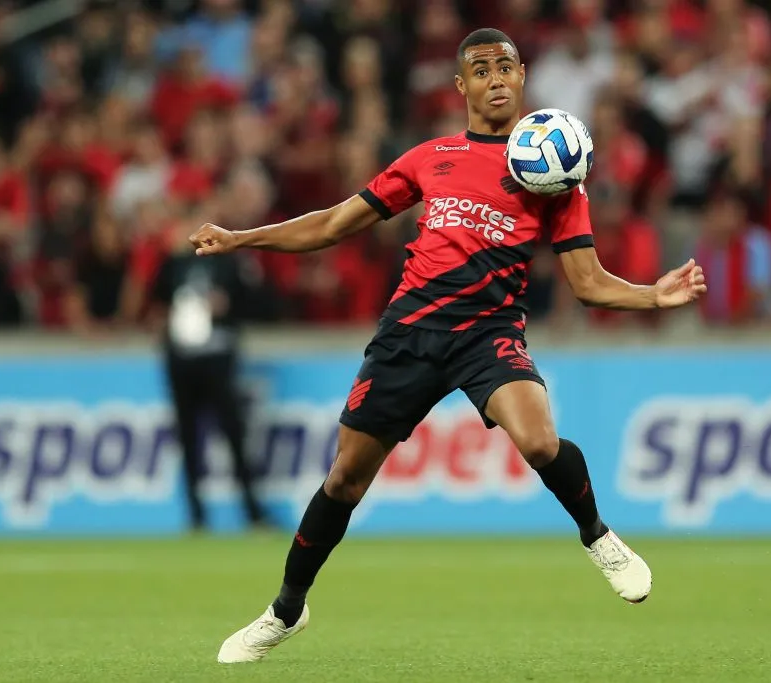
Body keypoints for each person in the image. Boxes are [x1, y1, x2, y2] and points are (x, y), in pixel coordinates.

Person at [189, 28, 707, 663]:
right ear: (462, 86)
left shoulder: (556, 177)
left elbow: (588, 284)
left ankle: (598, 536)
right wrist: (241, 238)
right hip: (409, 333)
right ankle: (285, 610)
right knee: (346, 479)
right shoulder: (428, 157)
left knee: (539, 439)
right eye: (481, 70)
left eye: (507, 67)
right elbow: (331, 225)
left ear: (522, 78)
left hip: (488, 333)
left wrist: (653, 296)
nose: (496, 79)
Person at [151, 224, 270, 532]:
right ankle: (196, 516)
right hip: (181, 359)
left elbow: (255, 304)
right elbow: (156, 304)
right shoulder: (172, 264)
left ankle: (252, 513)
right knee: (188, 439)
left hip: (217, 358)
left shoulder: (229, 262)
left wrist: (227, 305)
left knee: (233, 435)